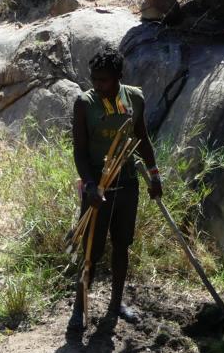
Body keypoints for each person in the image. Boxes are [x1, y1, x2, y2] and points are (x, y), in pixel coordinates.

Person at [68, 45, 162, 332]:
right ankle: (79, 309)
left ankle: (116, 304)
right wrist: (92, 185)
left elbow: (142, 138)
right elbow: (80, 152)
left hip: (127, 183)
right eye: (94, 79)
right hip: (98, 187)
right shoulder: (85, 103)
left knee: (122, 245)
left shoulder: (134, 98)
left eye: (104, 80)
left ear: (119, 76)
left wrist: (154, 174)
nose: (98, 85)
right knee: (90, 251)